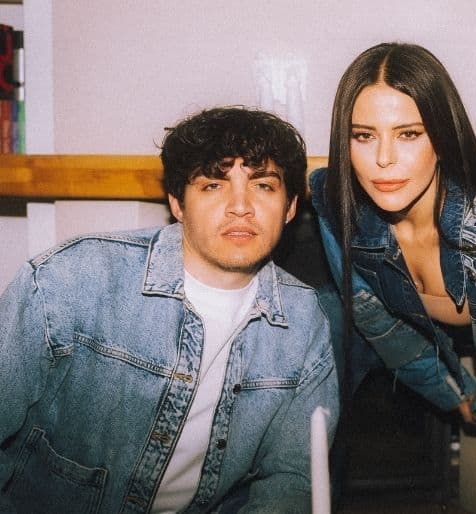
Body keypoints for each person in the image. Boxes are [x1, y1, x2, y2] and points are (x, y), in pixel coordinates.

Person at [0, 107, 339, 513]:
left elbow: (292, 479)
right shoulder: (70, 280)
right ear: (177, 203)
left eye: (263, 185)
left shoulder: (303, 322)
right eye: (213, 185)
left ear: (290, 207)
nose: (240, 206)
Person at [308, 42, 476, 512]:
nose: (383, 159)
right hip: (434, 351)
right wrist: (451, 393)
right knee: (322, 316)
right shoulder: (337, 202)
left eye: (409, 134)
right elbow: (376, 319)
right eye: (364, 136)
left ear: (441, 135)